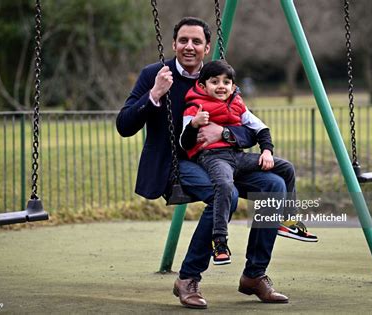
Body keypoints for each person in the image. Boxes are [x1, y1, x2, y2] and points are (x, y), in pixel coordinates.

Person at [117, 17, 289, 309]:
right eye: (183, 40)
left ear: (207, 47)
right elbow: (124, 125)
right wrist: (155, 93)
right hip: (175, 163)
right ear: (173, 44)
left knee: (274, 185)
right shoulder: (154, 75)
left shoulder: (218, 78)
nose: (189, 46)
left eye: (196, 41)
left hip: (221, 158)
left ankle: (254, 274)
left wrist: (222, 132)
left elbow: (247, 126)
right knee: (228, 194)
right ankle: (188, 278)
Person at [179, 60, 317, 265]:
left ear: (233, 86)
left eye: (226, 82)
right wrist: (194, 125)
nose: (221, 86)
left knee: (286, 168)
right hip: (214, 158)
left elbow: (261, 129)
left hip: (238, 157)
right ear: (202, 85)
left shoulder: (237, 104)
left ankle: (287, 220)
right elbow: (184, 142)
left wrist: (267, 152)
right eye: (214, 81)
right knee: (225, 186)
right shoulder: (194, 108)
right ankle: (219, 241)